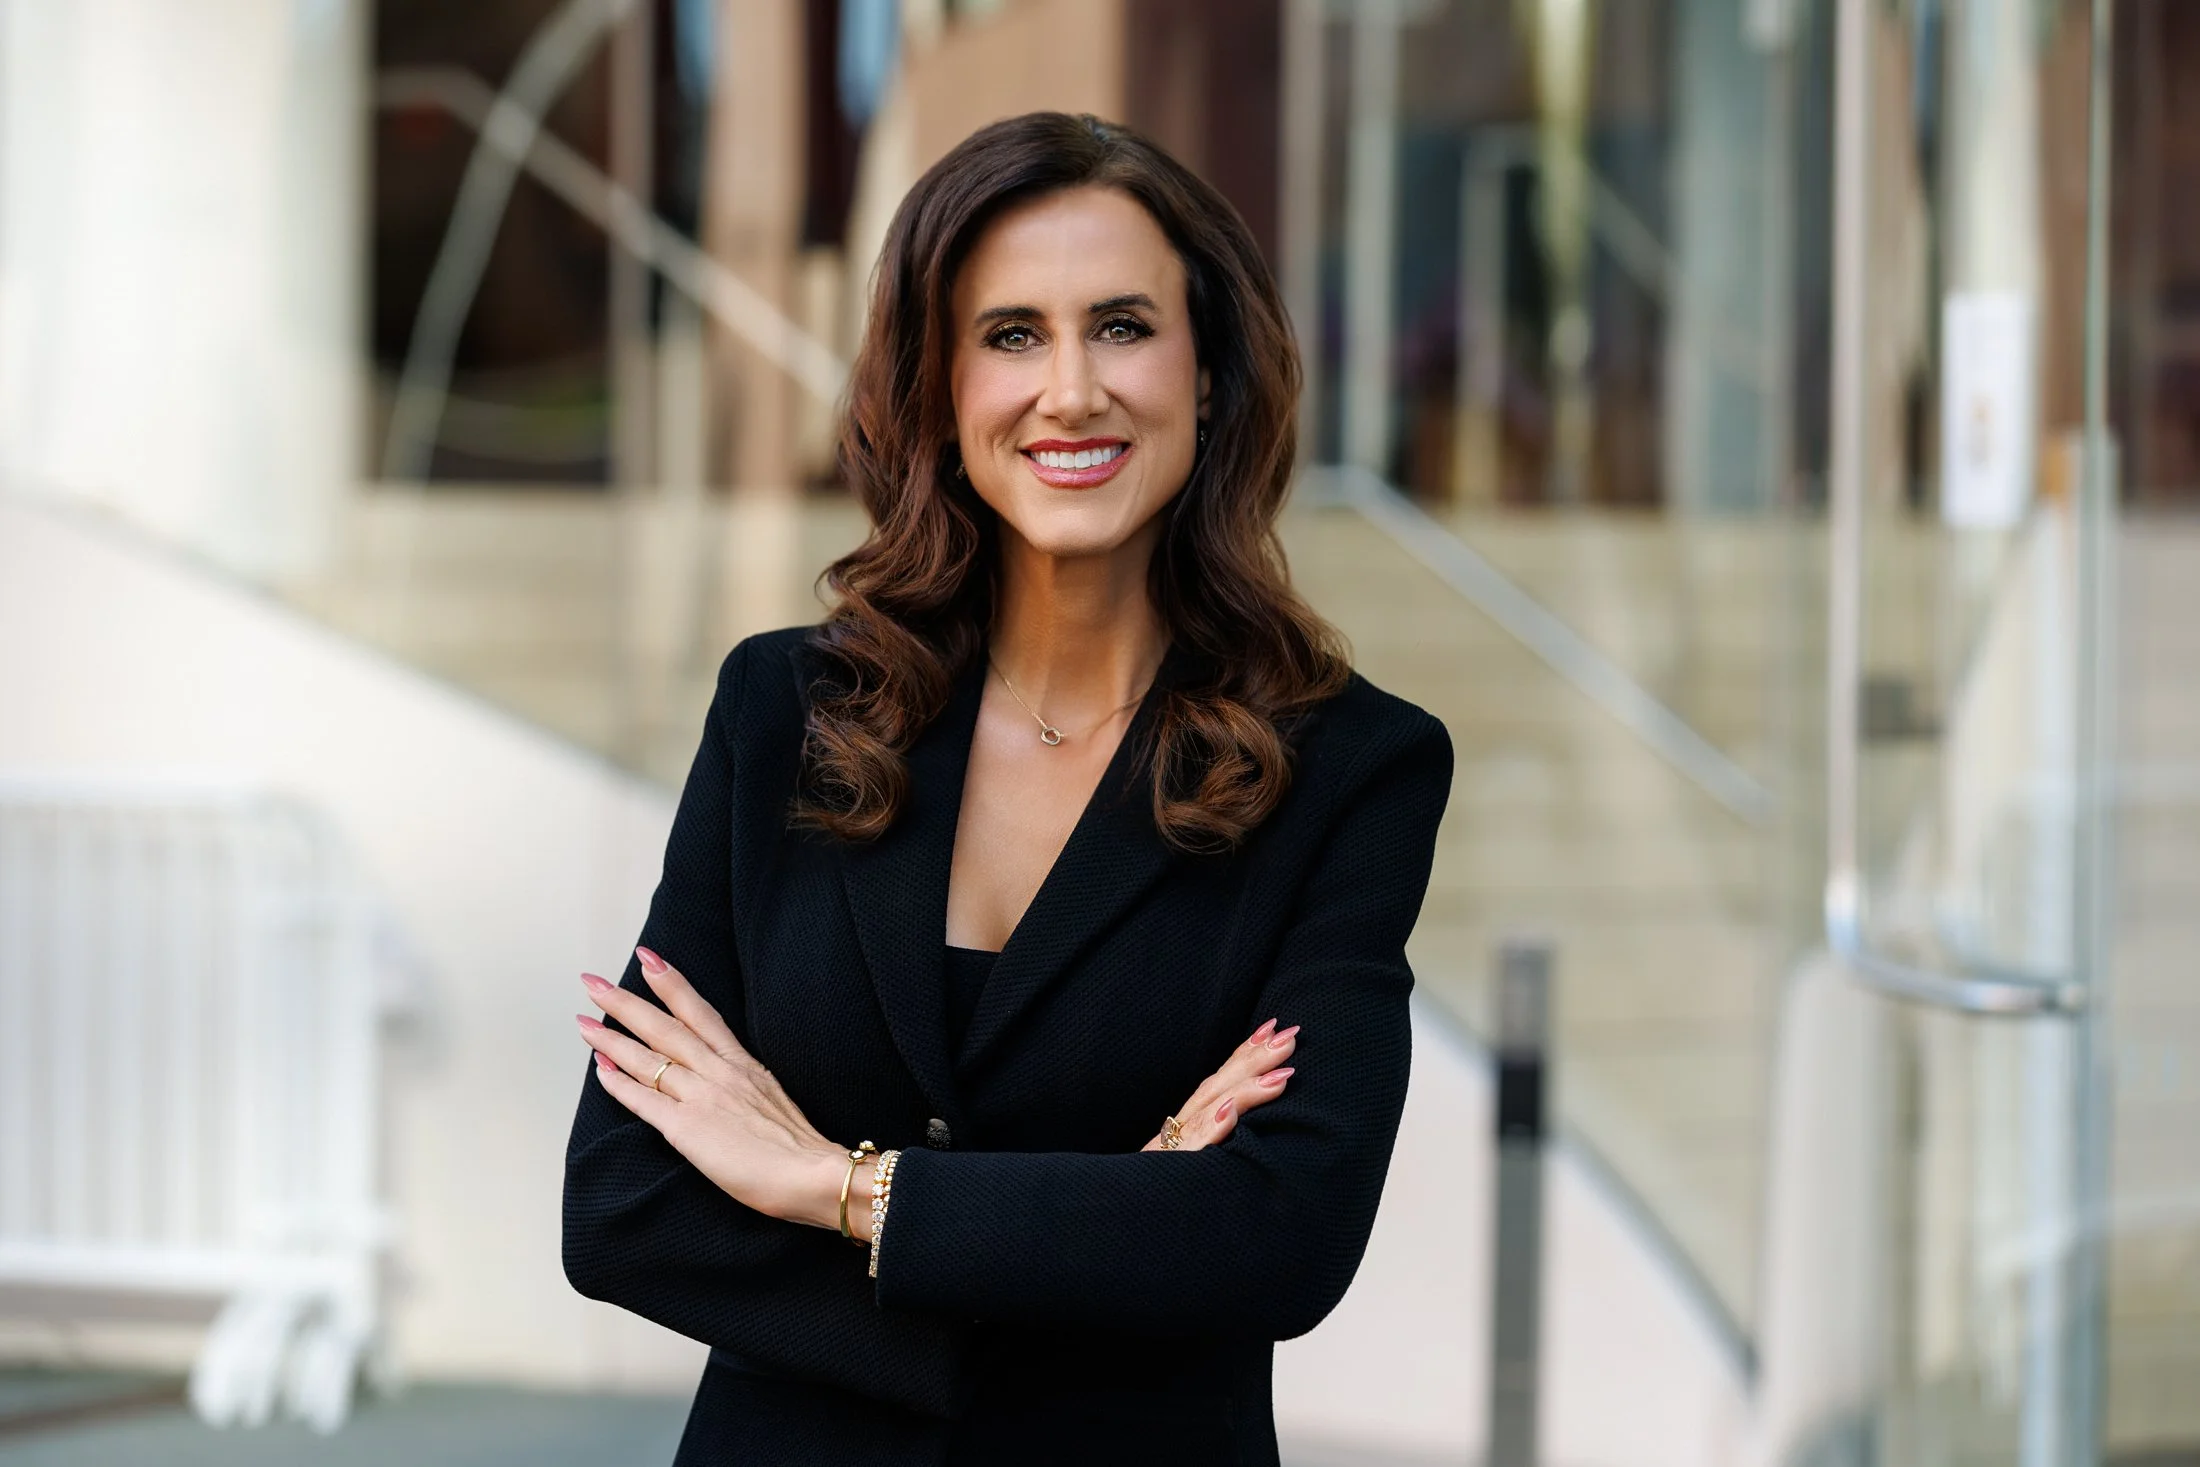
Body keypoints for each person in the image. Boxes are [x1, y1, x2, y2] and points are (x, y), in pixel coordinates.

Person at [562, 111, 1452, 1467]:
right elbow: (624, 1202)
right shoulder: (783, 715)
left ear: (1208, 372)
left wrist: (836, 1186)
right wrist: (1106, 1233)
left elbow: (1281, 1239)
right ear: (940, 389)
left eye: (1125, 325)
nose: (1074, 390)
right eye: (1013, 335)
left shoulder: (1350, 771)